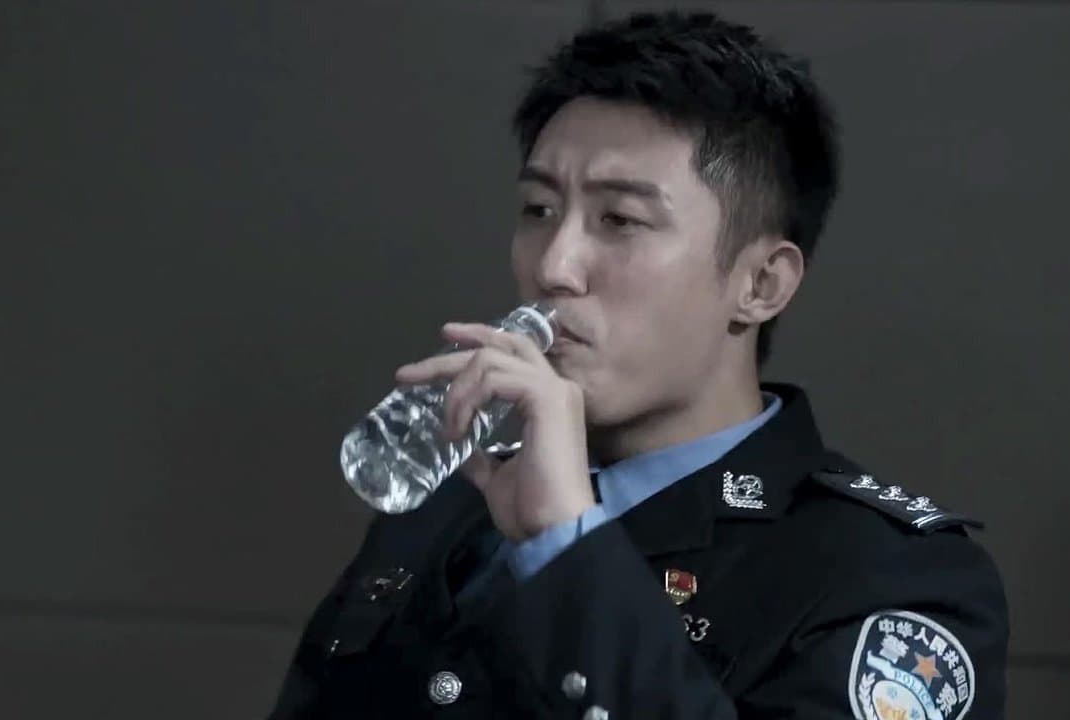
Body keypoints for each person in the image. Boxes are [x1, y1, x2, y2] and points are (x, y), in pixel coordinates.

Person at [270, 10, 1008, 719]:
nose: (554, 267)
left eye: (620, 220)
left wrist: (566, 541)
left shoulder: (893, 577)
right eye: (538, 209)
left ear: (760, 284)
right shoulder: (452, 502)